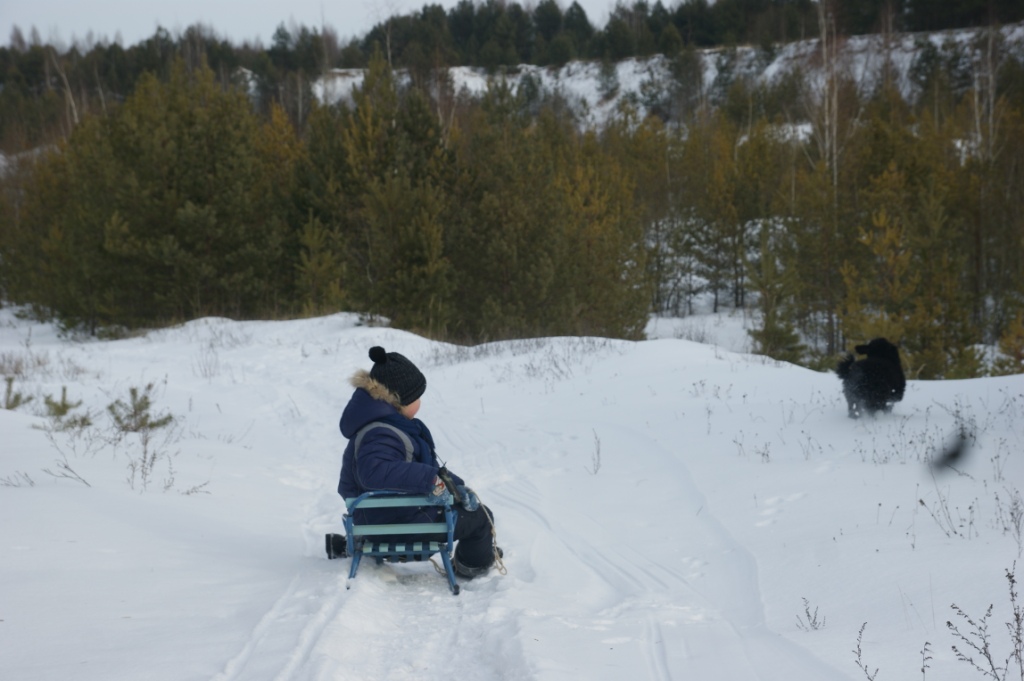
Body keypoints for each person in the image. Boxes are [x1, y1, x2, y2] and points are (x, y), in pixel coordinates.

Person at [337, 345, 500, 578]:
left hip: (382, 519)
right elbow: (374, 472)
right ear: (398, 401)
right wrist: (430, 480)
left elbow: (415, 469)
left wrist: (456, 486)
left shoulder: (385, 427)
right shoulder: (382, 432)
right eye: (417, 397)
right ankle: (472, 565)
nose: (420, 402)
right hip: (397, 524)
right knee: (480, 518)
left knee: (465, 508)